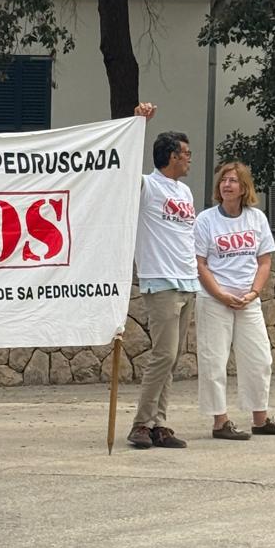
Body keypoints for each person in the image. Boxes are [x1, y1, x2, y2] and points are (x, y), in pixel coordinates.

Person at [193, 161, 275, 440]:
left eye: (233, 180)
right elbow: (199, 263)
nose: (227, 185)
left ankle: (260, 418)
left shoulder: (257, 219)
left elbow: (264, 261)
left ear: (244, 187)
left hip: (248, 300)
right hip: (215, 300)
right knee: (214, 360)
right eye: (223, 180)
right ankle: (220, 421)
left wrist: (253, 293)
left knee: (259, 358)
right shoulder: (205, 220)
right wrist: (219, 294)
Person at [126, 103, 197, 451]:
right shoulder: (147, 187)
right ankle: (141, 422)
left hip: (187, 281)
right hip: (161, 281)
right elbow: (123, 170)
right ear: (170, 156)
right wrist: (138, 125)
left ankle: (159, 423)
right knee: (163, 355)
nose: (189, 159)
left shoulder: (184, 192)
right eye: (184, 154)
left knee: (173, 357)